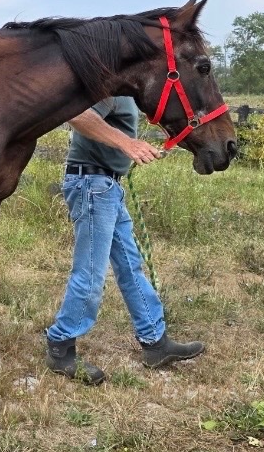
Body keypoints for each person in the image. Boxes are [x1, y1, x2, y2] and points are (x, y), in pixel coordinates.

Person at [45, 95, 204, 385]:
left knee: (131, 266)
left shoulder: (128, 93)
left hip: (106, 186)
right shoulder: (110, 90)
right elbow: (78, 113)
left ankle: (155, 343)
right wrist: (127, 143)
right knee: (91, 272)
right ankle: (60, 345)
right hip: (93, 185)